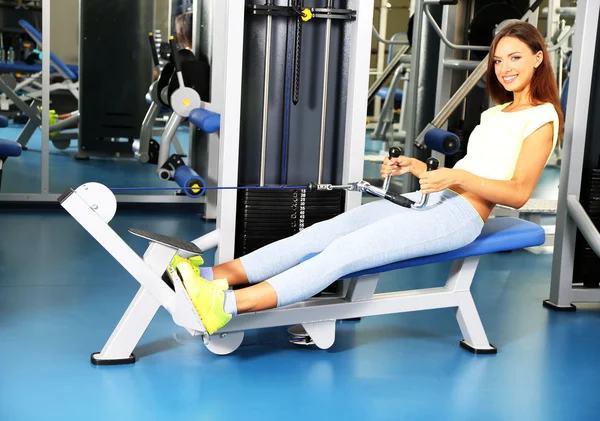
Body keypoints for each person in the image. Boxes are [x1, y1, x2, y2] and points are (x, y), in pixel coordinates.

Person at [169, 21, 565, 335]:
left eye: (514, 58)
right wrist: (420, 169)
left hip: (461, 218)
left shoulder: (542, 118)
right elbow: (472, 172)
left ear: (537, 58)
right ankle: (210, 277)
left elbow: (516, 194)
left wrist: (455, 176)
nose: (505, 68)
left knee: (342, 253)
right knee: (318, 235)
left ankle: (224, 306)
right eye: (498, 61)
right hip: (434, 201)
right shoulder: (495, 114)